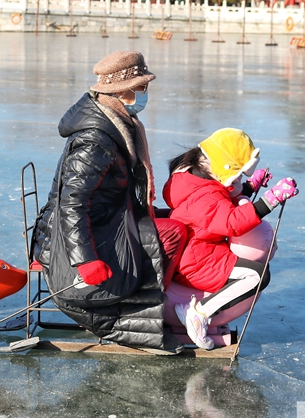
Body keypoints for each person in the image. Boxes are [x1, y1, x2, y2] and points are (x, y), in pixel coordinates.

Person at [31, 50, 189, 352]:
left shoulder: (118, 122)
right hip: (76, 235)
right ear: (122, 91)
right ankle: (141, 315)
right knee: (169, 235)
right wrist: (85, 260)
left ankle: (153, 311)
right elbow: (72, 205)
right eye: (142, 88)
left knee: (170, 222)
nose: (145, 94)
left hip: (108, 215)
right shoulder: (97, 140)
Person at [163, 128, 298, 350]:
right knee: (257, 277)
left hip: (202, 251)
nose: (235, 181)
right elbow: (231, 221)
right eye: (236, 176)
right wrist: (270, 201)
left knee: (256, 273)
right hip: (196, 263)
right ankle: (198, 313)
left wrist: (250, 186)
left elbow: (222, 199)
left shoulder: (195, 178)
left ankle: (202, 312)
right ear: (223, 166)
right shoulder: (204, 197)